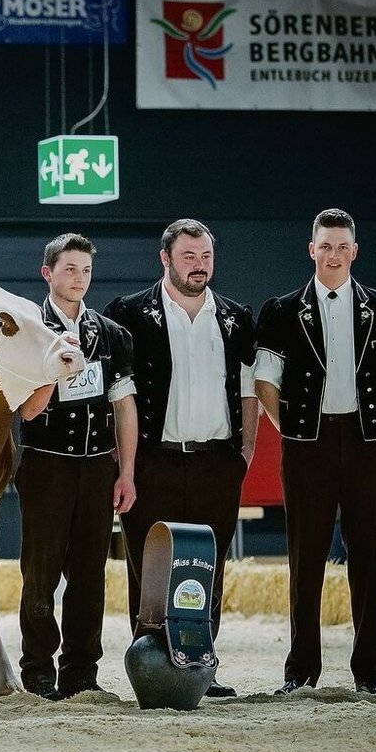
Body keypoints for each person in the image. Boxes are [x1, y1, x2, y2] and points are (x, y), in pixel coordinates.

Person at [254, 208, 376, 697]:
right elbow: (264, 383)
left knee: (369, 556)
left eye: (343, 246)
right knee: (305, 558)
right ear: (312, 249)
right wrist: (296, 431)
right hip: (307, 445)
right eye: (326, 246)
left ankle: (372, 671)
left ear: (354, 251)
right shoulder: (280, 311)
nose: (334, 254)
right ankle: (300, 671)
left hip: (366, 444)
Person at [103, 218, 257, 699]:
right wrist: (124, 466)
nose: (199, 266)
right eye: (188, 257)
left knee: (207, 569)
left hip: (217, 461)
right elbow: (116, 396)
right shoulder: (127, 314)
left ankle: (198, 668)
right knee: (150, 570)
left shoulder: (235, 317)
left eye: (206, 256)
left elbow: (250, 391)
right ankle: (150, 668)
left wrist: (244, 452)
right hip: (152, 461)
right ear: (165, 259)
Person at [14, 234, 137, 701]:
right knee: (40, 573)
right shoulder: (28, 331)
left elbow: (124, 406)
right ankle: (38, 670)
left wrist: (125, 472)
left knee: (90, 575)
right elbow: (25, 412)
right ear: (48, 274)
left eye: (85, 270)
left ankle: (82, 671)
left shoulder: (112, 334)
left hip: (96, 469)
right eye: (69, 270)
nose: (79, 279)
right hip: (45, 466)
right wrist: (55, 371)